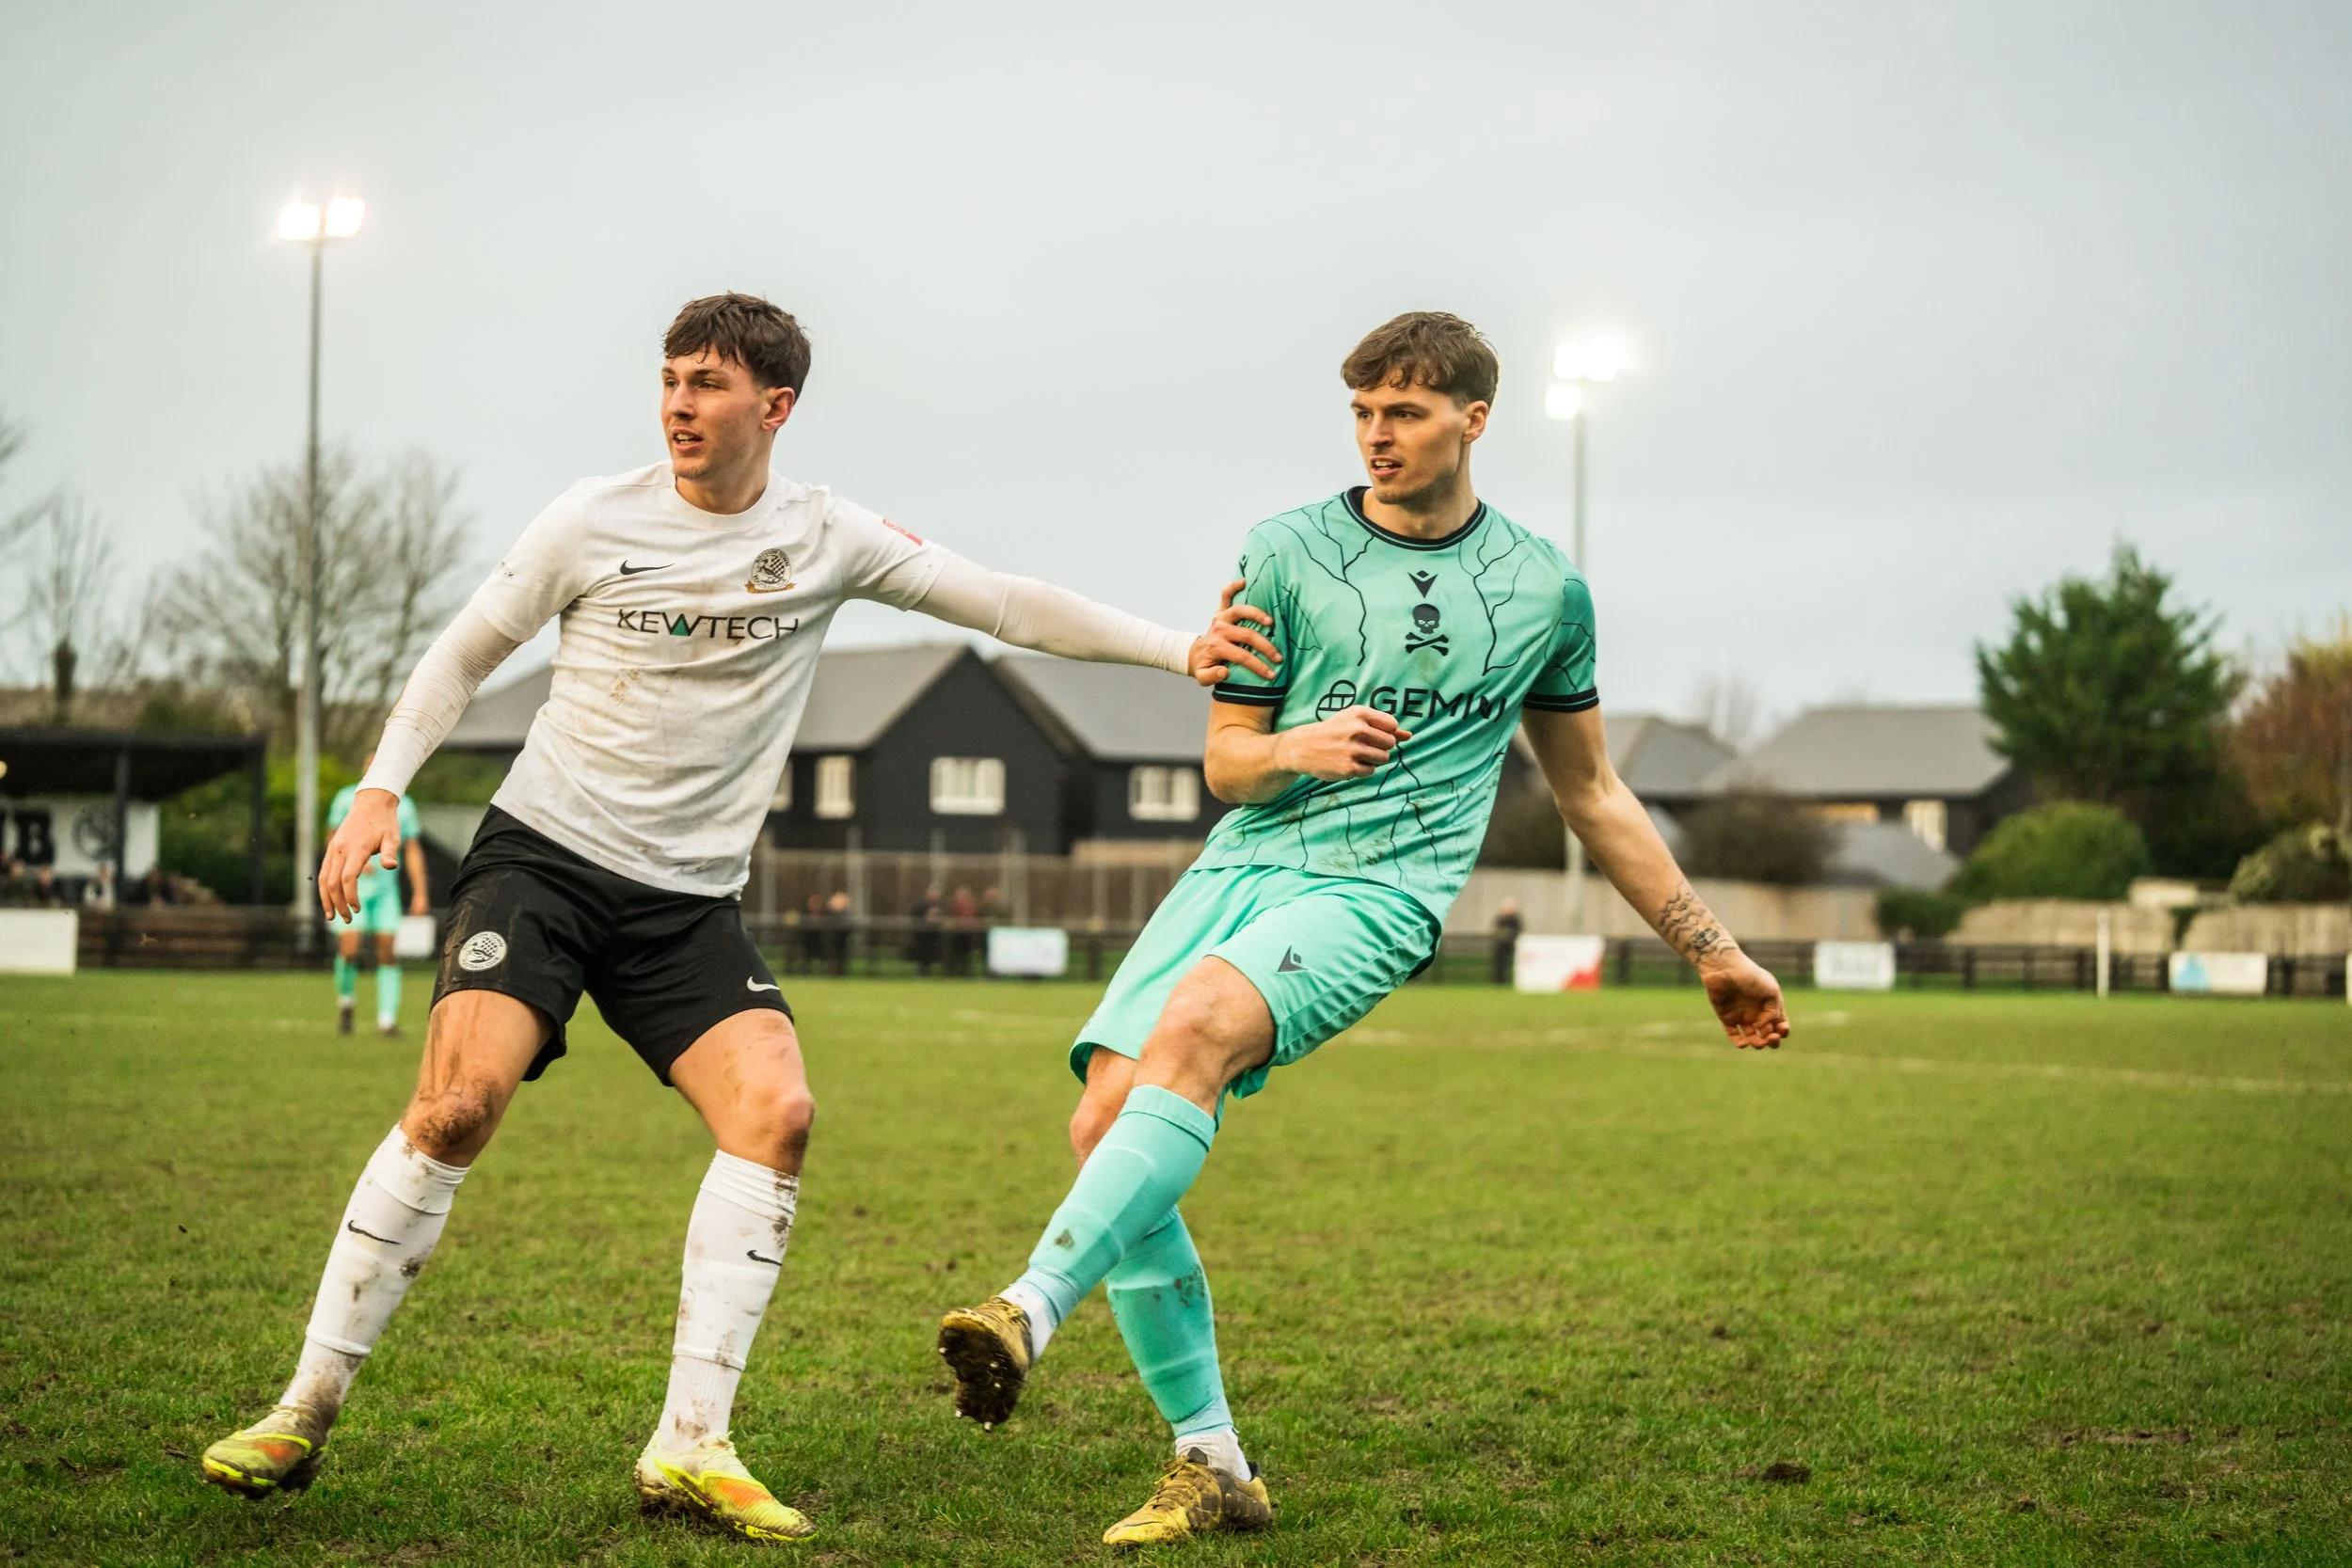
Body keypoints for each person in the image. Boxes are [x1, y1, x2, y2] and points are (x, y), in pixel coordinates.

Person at [199, 293, 1264, 1543]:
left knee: (778, 1113)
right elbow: (461, 653)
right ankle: (302, 1407)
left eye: (706, 382)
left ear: (776, 404)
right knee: (457, 1102)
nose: (677, 402)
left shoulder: (827, 534)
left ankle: (691, 1444)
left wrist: (1178, 650)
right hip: (542, 860)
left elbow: (1005, 603)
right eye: (668, 377)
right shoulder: (592, 518)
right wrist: (378, 785)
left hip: (685, 903)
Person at [936, 312, 1791, 1548]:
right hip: (1245, 861)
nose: (1377, 434)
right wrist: (1293, 744)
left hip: (1380, 889)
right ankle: (1213, 1459)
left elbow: (1591, 789)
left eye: (1404, 411)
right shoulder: (1285, 551)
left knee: (1196, 1030)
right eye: (1361, 411)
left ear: (1473, 419)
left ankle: (1027, 1304)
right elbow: (1228, 761)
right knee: (1101, 1122)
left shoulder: (1547, 589)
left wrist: (1709, 942)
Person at [326, 753, 430, 1036]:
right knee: (349, 949)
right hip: (353, 885)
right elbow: (333, 837)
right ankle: (346, 1001)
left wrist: (420, 892)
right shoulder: (347, 799)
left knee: (387, 951)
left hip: (386, 892)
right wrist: (349, 860)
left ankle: (387, 1020)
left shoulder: (403, 806)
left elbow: (411, 849)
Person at [1490, 896, 1523, 986]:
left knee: (1508, 963)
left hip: (1511, 944)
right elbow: (1496, 930)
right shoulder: (1500, 918)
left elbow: (1519, 930)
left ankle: (1507, 980)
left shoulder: (1515, 919)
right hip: (1500, 944)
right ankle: (1498, 981)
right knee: (1499, 963)